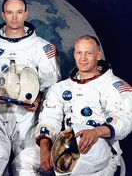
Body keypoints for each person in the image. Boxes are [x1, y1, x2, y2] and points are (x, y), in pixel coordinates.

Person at [0, 0, 61, 175]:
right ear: (3, 15)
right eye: (10, 13)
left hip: (28, 119)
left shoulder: (42, 48)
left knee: (26, 167)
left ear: (26, 14)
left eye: (19, 12)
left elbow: (53, 85)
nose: (14, 17)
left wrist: (40, 96)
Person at [36, 35, 132, 175]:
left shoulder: (116, 87)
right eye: (79, 53)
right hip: (67, 150)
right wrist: (44, 148)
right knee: (30, 159)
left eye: (89, 53)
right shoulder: (59, 88)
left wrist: (96, 132)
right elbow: (49, 118)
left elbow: (125, 118)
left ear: (98, 55)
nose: (83, 58)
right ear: (74, 54)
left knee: (80, 137)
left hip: (102, 150)